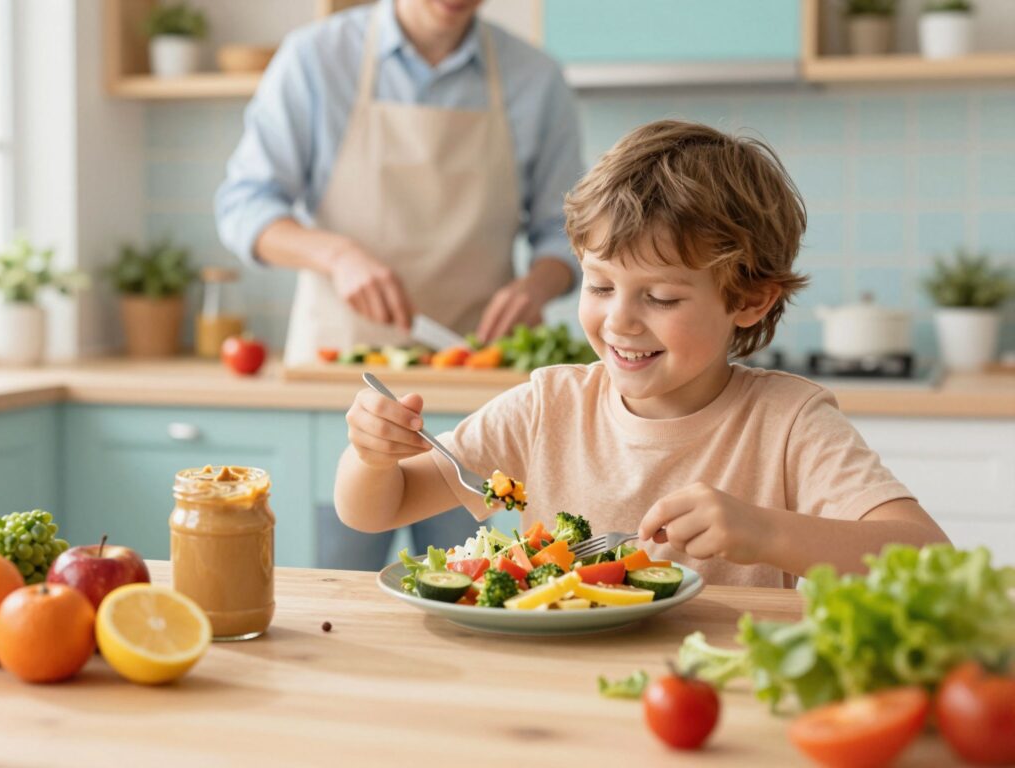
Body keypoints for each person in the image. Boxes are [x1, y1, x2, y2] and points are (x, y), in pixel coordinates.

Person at [334, 119, 950, 587]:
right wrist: (370, 456)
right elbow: (376, 510)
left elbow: (929, 556)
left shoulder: (788, 423)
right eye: (600, 286)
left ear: (750, 301)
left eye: (659, 296)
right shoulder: (547, 409)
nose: (619, 320)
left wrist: (765, 532)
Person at [215, 0, 582, 570]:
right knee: (332, 594)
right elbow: (243, 207)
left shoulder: (536, 78)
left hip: (475, 393)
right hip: (340, 379)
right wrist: (335, 254)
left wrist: (537, 284)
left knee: (468, 585)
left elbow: (564, 235)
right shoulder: (315, 59)